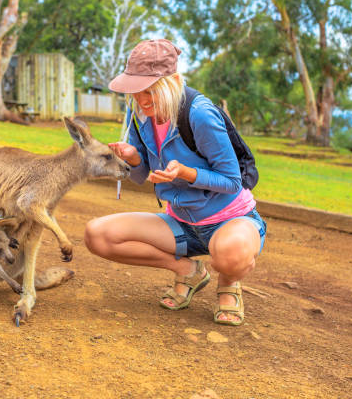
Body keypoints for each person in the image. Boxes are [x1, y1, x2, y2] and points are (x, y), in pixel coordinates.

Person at [84, 39, 267, 326]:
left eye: (150, 91)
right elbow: (142, 176)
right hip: (181, 223)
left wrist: (186, 173)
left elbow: (233, 181)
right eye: (135, 91)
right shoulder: (138, 114)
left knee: (229, 254)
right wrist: (132, 158)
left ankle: (229, 283)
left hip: (230, 220)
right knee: (97, 235)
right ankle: (188, 270)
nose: (142, 100)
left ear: (173, 82)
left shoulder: (199, 114)